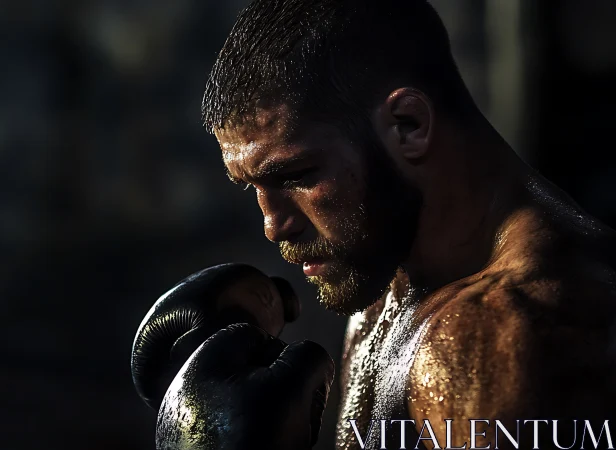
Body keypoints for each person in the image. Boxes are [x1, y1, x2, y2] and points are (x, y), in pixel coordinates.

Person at [148, 0, 616, 448]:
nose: (273, 226)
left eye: (295, 176)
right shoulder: (391, 271)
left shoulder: (504, 335)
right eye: (251, 186)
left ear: (408, 125)